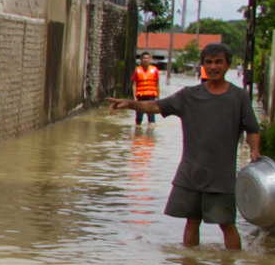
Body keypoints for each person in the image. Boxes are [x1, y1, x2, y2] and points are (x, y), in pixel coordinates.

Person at [110, 42, 262, 249]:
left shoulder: (239, 97)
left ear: (228, 66)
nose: (213, 67)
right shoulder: (189, 95)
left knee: (227, 224)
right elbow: (156, 105)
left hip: (222, 178)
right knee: (192, 222)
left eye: (219, 62)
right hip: (191, 173)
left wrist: (254, 150)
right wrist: (130, 103)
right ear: (203, 66)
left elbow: (252, 128)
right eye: (208, 62)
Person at [130, 52, 161, 125]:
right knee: (139, 116)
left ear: (150, 59)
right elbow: (134, 84)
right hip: (140, 96)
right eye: (144, 58)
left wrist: (158, 97)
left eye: (147, 58)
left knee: (151, 115)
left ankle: (151, 132)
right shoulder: (137, 70)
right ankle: (138, 130)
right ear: (141, 60)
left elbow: (157, 85)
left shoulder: (155, 70)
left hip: (151, 96)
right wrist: (134, 97)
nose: (145, 60)